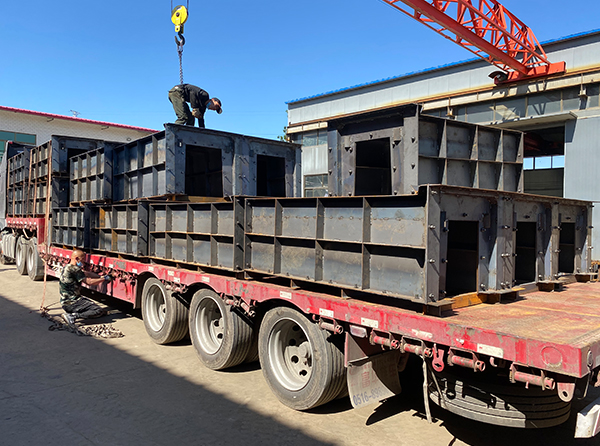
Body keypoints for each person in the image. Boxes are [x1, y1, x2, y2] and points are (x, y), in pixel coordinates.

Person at [60, 249, 112, 326]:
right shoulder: (75, 269)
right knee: (98, 310)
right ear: (77, 258)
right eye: (82, 260)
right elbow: (89, 282)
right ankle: (73, 316)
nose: (83, 262)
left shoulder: (67, 267)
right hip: (73, 302)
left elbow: (86, 273)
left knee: (92, 306)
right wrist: (104, 279)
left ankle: (72, 313)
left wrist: (100, 276)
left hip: (65, 302)